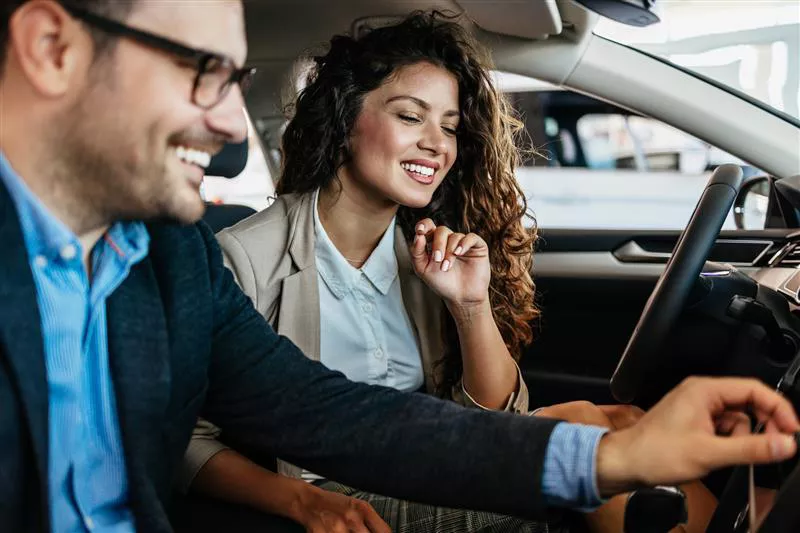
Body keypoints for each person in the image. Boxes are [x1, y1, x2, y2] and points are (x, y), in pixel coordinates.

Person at [0, 1, 797, 532]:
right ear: (51, 47)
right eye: (201, 71)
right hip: (341, 493)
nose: (231, 125)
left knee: (609, 426)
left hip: (410, 458)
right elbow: (213, 444)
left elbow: (340, 415)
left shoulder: (166, 262)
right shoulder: (223, 254)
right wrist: (300, 499)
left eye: (236, 81)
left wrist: (609, 454)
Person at [180, 12, 720, 533]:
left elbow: (491, 412)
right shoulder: (243, 258)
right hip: (333, 487)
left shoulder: (426, 249)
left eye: (450, 126)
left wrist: (469, 304)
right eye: (410, 116)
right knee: (589, 440)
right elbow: (186, 438)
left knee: (622, 421)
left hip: (429, 460)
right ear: (345, 122)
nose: (437, 145)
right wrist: (303, 502)